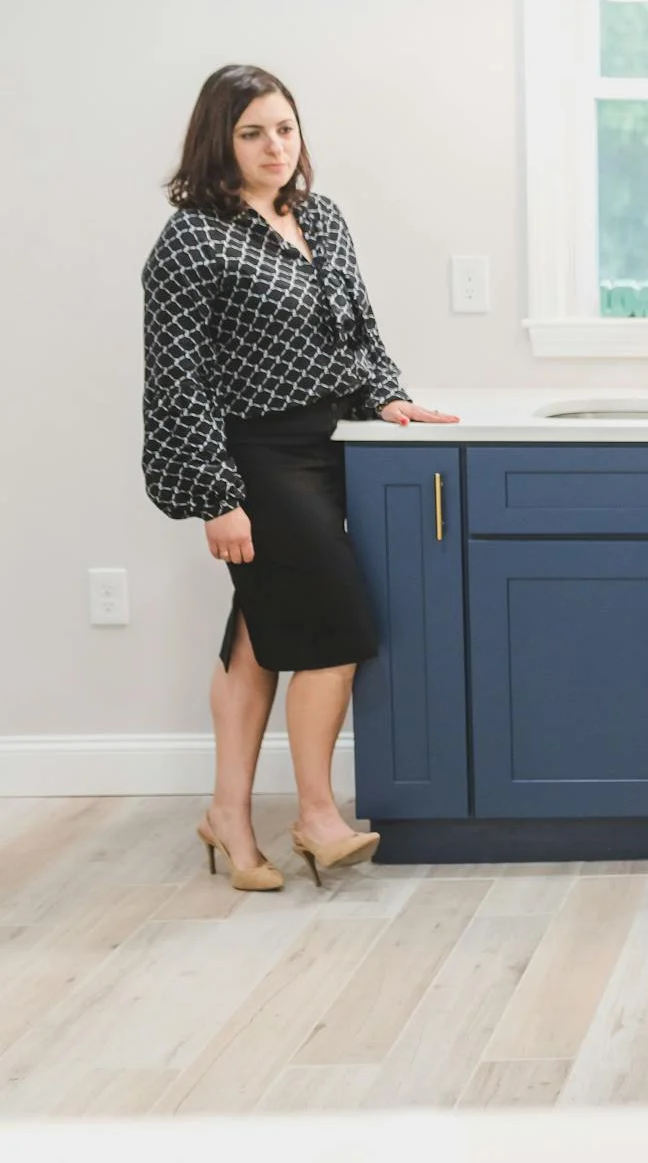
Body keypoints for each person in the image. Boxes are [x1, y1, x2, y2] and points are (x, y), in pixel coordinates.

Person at [141, 64, 456, 892]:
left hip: (327, 450)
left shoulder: (319, 217)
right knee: (337, 636)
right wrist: (217, 496)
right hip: (253, 457)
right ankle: (316, 815)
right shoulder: (193, 238)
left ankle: (228, 818)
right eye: (253, 133)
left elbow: (359, 329)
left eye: (285, 128)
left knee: (258, 640)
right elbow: (179, 379)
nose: (275, 146)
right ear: (221, 140)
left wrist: (389, 395)